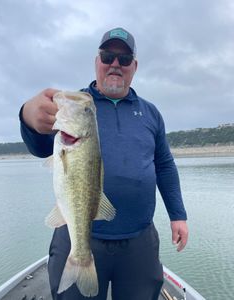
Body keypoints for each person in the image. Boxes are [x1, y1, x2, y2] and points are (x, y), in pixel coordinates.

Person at [19, 27, 188, 300]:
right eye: (108, 56)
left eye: (124, 60)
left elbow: (165, 165)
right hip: (78, 232)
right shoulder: (75, 106)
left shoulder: (150, 113)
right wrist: (27, 116)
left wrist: (178, 214)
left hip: (139, 241)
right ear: (97, 61)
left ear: (134, 66)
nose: (115, 65)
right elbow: (39, 146)